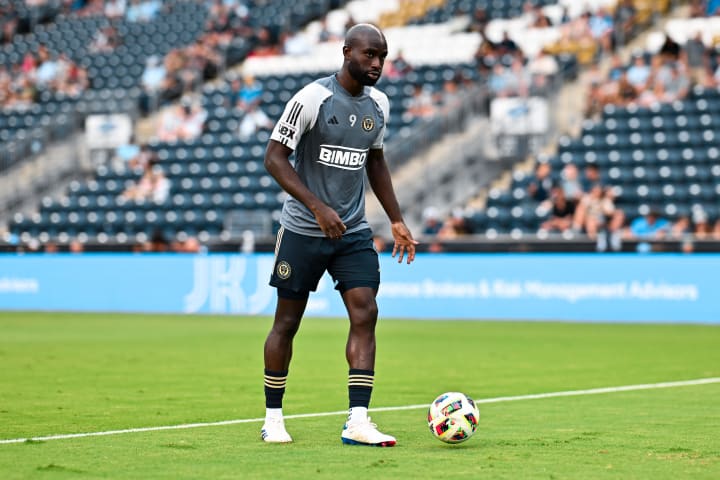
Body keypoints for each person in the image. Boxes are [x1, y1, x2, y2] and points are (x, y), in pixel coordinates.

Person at [261, 23, 417, 447]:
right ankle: (273, 417)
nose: (377, 64)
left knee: (365, 311)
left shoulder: (379, 104)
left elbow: (376, 162)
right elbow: (274, 158)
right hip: (303, 230)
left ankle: (358, 420)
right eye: (369, 55)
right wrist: (317, 206)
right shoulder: (312, 99)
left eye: (382, 57)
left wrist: (397, 220)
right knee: (287, 322)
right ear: (346, 51)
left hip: (352, 232)